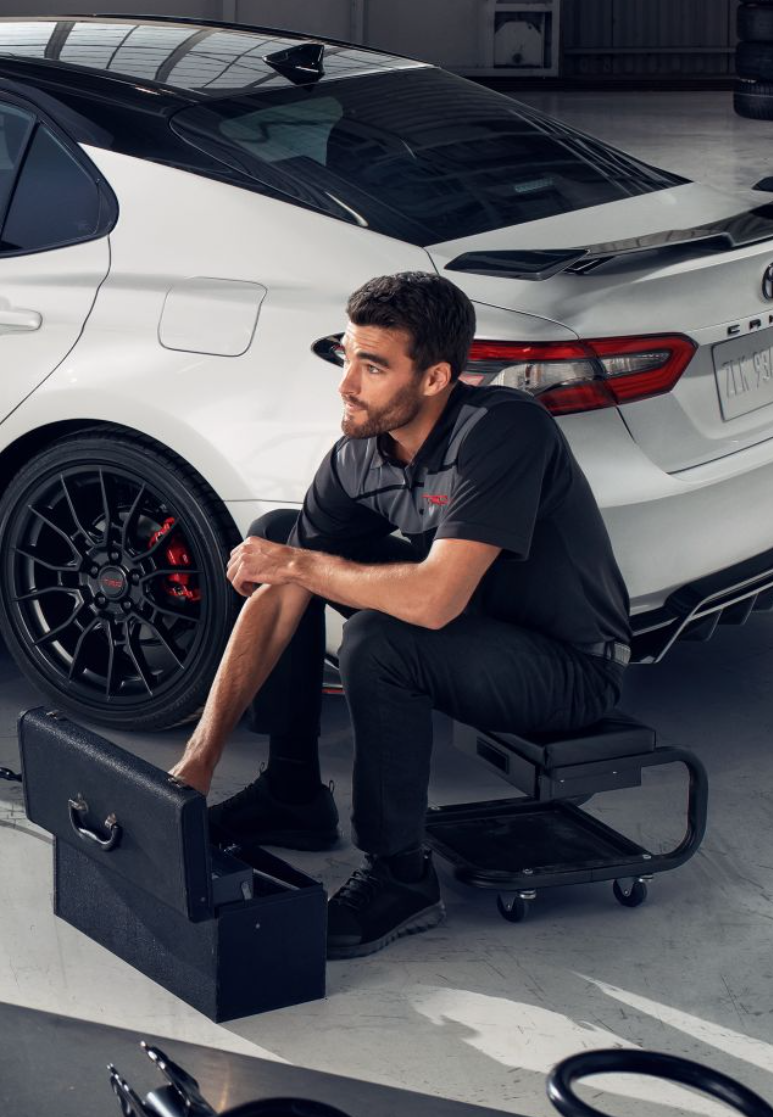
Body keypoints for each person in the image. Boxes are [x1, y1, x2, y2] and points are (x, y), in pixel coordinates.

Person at [171, 272, 630, 959]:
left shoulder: (502, 431)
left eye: (374, 366)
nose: (346, 384)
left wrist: (296, 564)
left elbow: (434, 600)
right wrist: (197, 763)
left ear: (436, 377)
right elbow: (281, 588)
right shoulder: (359, 451)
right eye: (346, 355)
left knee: (379, 637)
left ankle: (401, 876)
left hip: (566, 667)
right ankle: (293, 793)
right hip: (472, 631)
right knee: (282, 532)